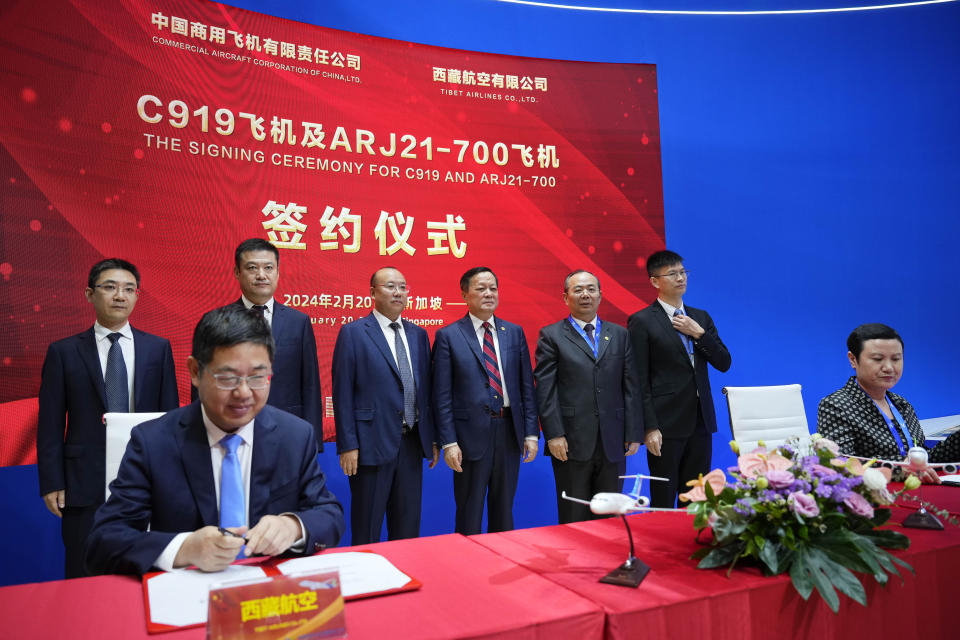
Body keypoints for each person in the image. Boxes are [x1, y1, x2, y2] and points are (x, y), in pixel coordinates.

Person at [85, 306, 344, 575]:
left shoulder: (295, 435)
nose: (243, 393)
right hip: (187, 598)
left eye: (257, 377)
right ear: (195, 371)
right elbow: (105, 540)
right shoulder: (153, 442)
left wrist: (293, 526)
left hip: (270, 599)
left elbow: (329, 514)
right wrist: (185, 548)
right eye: (227, 378)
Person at [36, 258, 179, 578]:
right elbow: (50, 422)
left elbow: (170, 419)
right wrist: (52, 481)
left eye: (129, 289)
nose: (120, 296)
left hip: (146, 478)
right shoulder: (64, 351)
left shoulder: (157, 349)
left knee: (144, 570)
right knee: (83, 567)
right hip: (83, 481)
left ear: (137, 296)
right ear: (90, 294)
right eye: (110, 287)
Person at [332, 267, 438, 544]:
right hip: (370, 445)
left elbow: (425, 391)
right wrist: (348, 444)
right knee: (367, 527)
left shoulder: (418, 335)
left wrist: (432, 439)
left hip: (412, 444)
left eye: (403, 287)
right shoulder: (353, 333)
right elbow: (342, 393)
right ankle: (366, 582)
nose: (398, 292)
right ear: (372, 293)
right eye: (390, 286)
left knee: (407, 529)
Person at [432, 267, 539, 535]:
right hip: (469, 437)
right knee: (469, 511)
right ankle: (468, 569)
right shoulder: (449, 336)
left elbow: (526, 386)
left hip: (508, 433)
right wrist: (449, 441)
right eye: (481, 289)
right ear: (465, 294)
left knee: (504, 509)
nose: (488, 293)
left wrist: (531, 433)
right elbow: (441, 395)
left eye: (493, 288)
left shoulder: (513, 332)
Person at [534, 270, 642, 524]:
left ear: (600, 295)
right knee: (574, 514)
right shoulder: (551, 336)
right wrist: (554, 434)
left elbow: (631, 386)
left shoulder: (619, 334)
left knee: (611, 514)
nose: (586, 295)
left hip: (613, 441)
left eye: (591, 289)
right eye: (578, 290)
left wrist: (634, 432)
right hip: (570, 441)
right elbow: (545, 390)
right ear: (565, 297)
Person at [194, 238, 324, 446]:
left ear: (278, 272)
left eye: (269, 268)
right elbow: (202, 384)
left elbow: (310, 384)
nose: (261, 275)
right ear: (237, 272)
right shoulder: (216, 321)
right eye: (252, 268)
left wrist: (313, 441)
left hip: (286, 430)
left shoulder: (298, 322)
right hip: (230, 429)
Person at [628, 250, 731, 508]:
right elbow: (638, 379)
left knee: (696, 498)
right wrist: (649, 427)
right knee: (663, 499)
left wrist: (699, 334)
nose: (680, 278)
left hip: (700, 420)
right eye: (672, 273)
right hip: (665, 424)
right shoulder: (642, 321)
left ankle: (693, 546)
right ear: (655, 281)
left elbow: (724, 363)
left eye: (683, 272)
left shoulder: (701, 317)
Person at [817, 323, 960, 483]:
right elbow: (840, 465)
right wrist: (899, 471)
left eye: (896, 359)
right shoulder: (836, 405)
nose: (889, 367)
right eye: (878, 359)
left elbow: (923, 459)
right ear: (853, 359)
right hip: (874, 498)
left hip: (915, 490)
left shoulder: (901, 404)